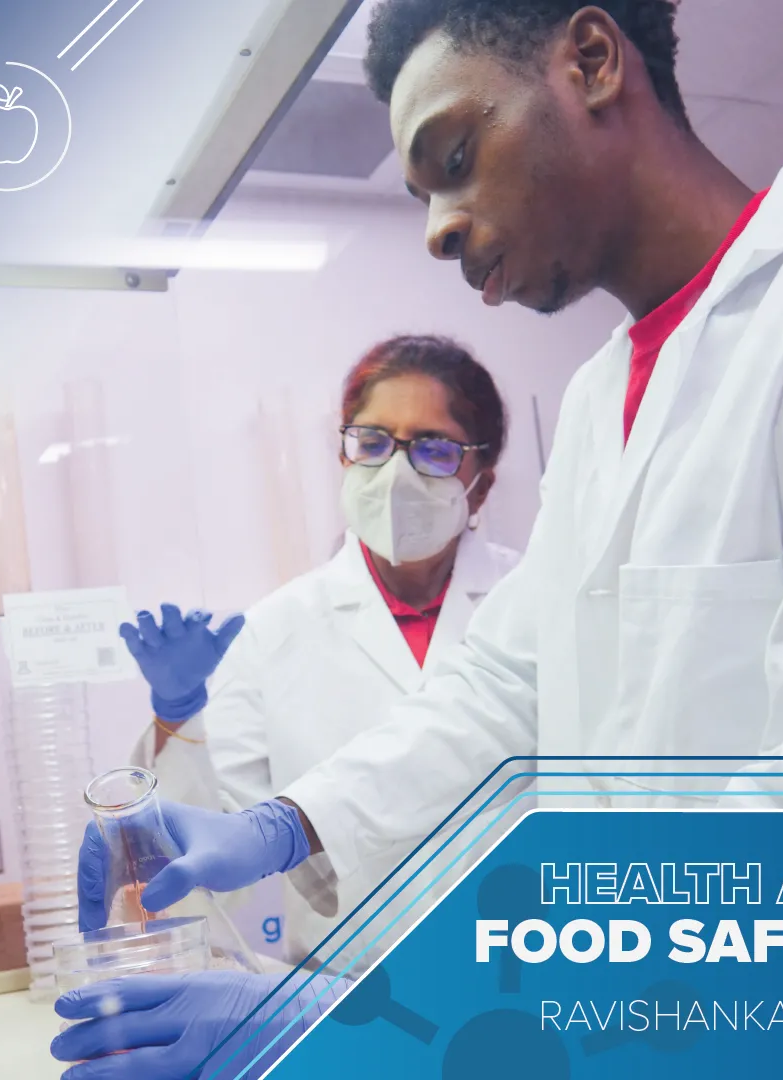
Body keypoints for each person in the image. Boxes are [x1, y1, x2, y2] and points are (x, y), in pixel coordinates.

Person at [58, 1, 783, 1075]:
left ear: (589, 61)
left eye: (456, 156)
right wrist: (279, 826)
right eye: (421, 190)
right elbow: (497, 690)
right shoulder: (596, 403)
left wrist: (369, 1025)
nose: (437, 226)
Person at [85, 335, 520, 973]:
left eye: (433, 449)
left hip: (529, 968)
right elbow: (214, 841)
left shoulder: (530, 605)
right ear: (344, 459)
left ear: (480, 485)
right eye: (372, 442)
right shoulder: (274, 629)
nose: (395, 474)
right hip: (354, 986)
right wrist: (179, 715)